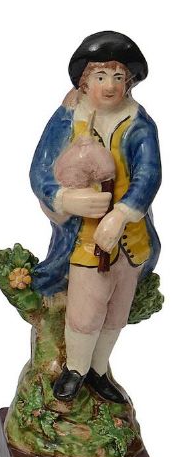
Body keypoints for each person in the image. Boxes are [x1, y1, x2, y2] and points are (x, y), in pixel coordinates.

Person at [30, 31, 160, 403]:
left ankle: (99, 371)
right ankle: (75, 368)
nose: (110, 86)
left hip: (129, 240)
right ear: (85, 82)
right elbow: (40, 171)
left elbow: (149, 175)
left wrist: (121, 215)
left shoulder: (139, 124)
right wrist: (66, 198)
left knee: (116, 313)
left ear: (129, 82)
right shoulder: (69, 119)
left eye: (119, 77)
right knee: (85, 313)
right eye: (101, 76)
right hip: (84, 240)